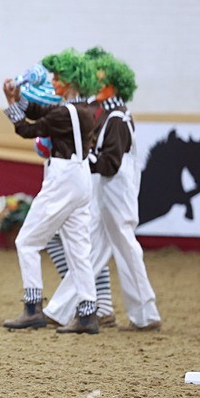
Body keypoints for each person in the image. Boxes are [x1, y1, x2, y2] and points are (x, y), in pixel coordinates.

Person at [44, 49, 162, 331]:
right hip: (105, 192)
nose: (92, 85)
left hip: (116, 194)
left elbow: (109, 164)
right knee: (93, 250)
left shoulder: (118, 119)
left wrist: (79, 158)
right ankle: (60, 309)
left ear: (112, 85)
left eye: (98, 80)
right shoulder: (107, 115)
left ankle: (146, 314)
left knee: (123, 249)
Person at [1, 49, 99, 334]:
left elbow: (27, 129)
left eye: (58, 78)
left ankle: (32, 308)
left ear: (69, 82)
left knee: (27, 241)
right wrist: (16, 99)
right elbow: (40, 112)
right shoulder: (85, 111)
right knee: (79, 248)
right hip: (81, 178)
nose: (53, 82)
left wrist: (12, 104)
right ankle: (87, 312)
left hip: (63, 177)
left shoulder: (64, 113)